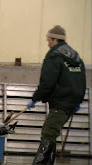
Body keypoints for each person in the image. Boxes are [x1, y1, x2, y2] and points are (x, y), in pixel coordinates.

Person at [27, 25, 86, 164]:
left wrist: (35, 98)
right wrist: (78, 101)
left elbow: (47, 82)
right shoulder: (75, 56)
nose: (48, 43)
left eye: (49, 40)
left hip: (60, 102)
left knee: (48, 133)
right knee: (52, 134)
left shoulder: (54, 56)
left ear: (55, 40)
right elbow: (82, 81)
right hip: (71, 103)